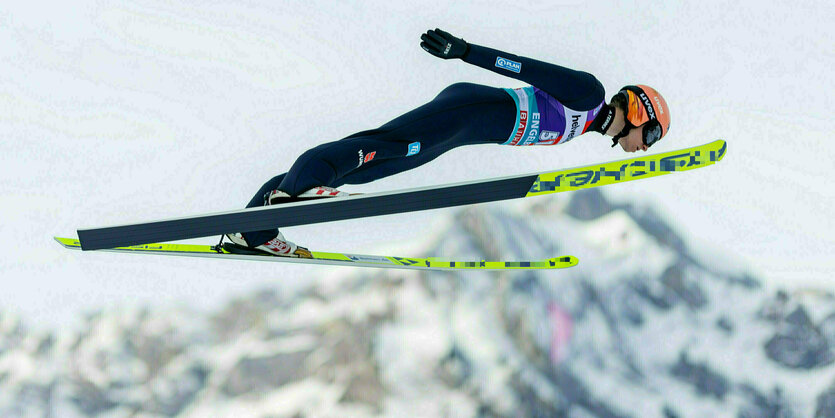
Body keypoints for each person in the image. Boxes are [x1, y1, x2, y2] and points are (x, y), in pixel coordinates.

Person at [225, 28, 671, 258]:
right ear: (636, 111)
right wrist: (465, 51)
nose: (646, 145)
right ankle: (301, 187)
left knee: (380, 163)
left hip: (459, 133)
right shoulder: (590, 95)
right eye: (651, 133)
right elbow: (524, 67)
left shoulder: (585, 124)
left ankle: (253, 228)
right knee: (386, 145)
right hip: (464, 112)